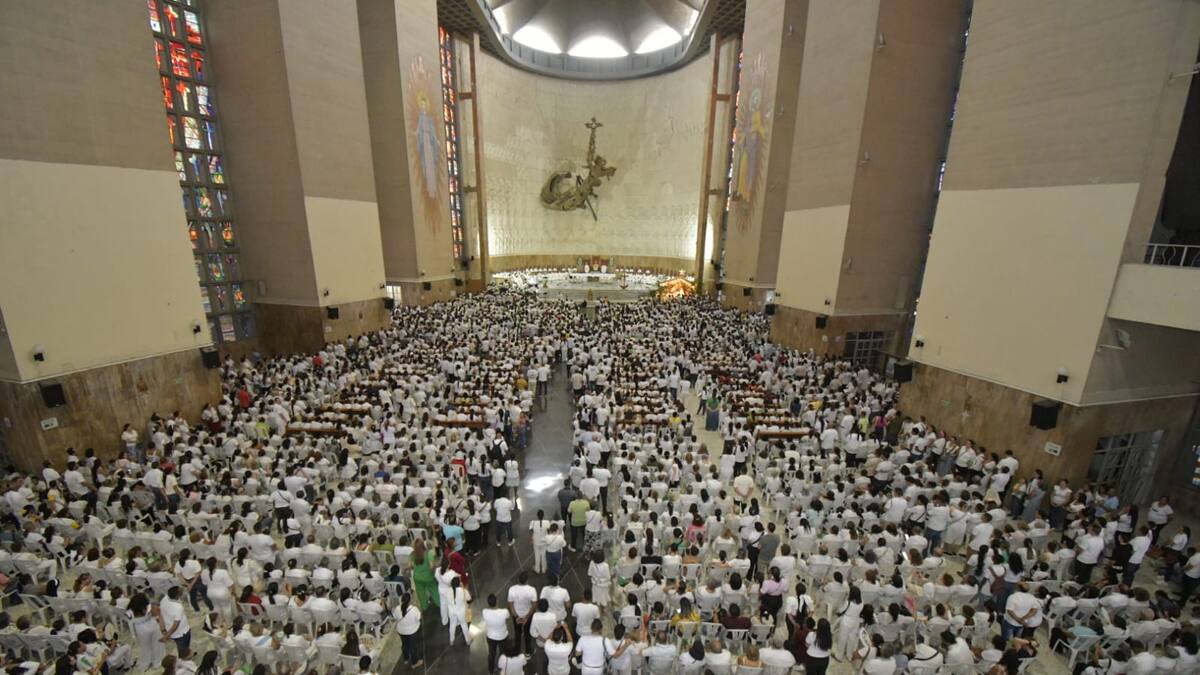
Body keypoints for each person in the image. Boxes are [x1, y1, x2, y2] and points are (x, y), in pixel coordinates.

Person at [393, 593, 423, 668]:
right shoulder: (414, 609)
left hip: (401, 631)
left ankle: (406, 658)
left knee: (404, 644)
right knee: (413, 646)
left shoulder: (397, 608)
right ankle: (415, 662)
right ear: (410, 600)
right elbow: (418, 618)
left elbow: (395, 617)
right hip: (411, 631)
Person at [482, 593, 510, 673]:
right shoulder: (504, 612)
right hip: (503, 636)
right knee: (503, 653)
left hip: (491, 637)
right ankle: (502, 667)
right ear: (497, 601)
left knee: (491, 654)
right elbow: (507, 617)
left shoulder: (484, 612)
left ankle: (491, 669)